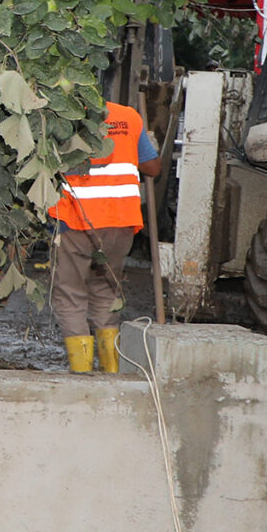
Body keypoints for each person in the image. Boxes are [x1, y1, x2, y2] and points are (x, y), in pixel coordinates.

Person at [51, 100, 163, 374]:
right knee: (106, 293)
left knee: (71, 295)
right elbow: (153, 168)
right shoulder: (129, 116)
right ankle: (111, 372)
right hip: (120, 221)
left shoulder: (59, 113)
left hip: (76, 219)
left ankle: (82, 374)